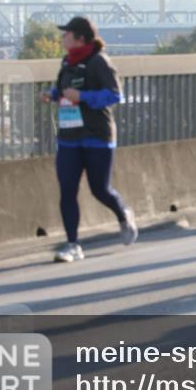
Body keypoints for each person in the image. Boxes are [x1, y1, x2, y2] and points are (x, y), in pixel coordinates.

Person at [41, 16, 138, 263]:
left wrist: (83, 96)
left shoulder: (98, 62)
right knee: (67, 189)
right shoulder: (66, 62)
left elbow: (114, 95)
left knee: (100, 189)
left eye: (67, 34)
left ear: (80, 38)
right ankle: (72, 244)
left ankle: (123, 213)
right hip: (69, 137)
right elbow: (65, 91)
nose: (62, 37)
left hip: (96, 136)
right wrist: (53, 95)